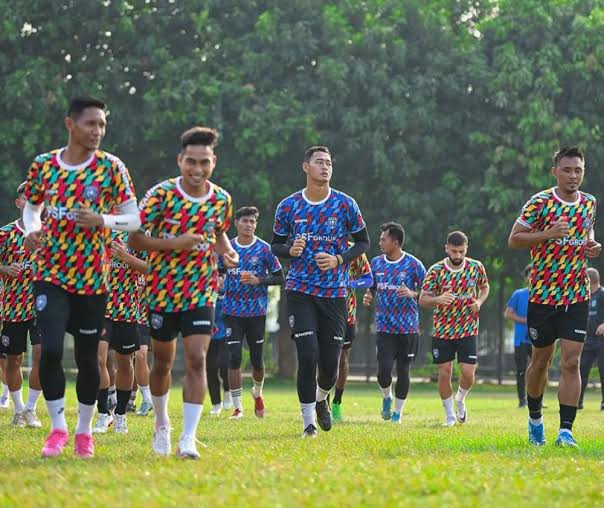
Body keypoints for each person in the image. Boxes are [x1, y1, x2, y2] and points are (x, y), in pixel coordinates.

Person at [23, 96, 140, 458]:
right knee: (52, 350)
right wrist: (32, 227)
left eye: (102, 125)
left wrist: (102, 220)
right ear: (70, 124)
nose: (98, 131)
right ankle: (58, 428)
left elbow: (133, 218)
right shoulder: (44, 165)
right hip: (51, 274)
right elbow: (32, 205)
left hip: (93, 278)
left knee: (90, 359)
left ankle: (84, 431)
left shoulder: (111, 167)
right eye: (91, 124)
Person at [128, 126, 237, 459]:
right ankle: (162, 425)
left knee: (197, 359)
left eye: (204, 162)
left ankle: (188, 438)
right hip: (162, 290)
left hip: (201, 290)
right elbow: (134, 238)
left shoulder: (221, 200)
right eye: (191, 162)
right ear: (180, 160)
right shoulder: (160, 195)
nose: (197, 169)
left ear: (213, 162)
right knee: (162, 363)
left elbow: (217, 234)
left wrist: (227, 252)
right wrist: (173, 244)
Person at [271, 145, 369, 438]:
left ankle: (322, 397)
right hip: (300, 291)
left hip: (336, 294)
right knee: (309, 354)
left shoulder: (345, 204)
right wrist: (290, 250)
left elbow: (363, 243)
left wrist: (339, 259)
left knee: (330, 364)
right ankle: (307, 423)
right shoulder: (288, 206)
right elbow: (275, 245)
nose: (325, 167)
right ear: (305, 167)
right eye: (319, 162)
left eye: (329, 163)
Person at [508, 146, 601, 447]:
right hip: (543, 296)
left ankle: (566, 431)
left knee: (571, 362)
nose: (573, 175)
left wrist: (592, 247)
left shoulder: (589, 203)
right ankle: (535, 419)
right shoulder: (540, 203)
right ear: (555, 171)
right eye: (567, 170)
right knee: (540, 362)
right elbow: (514, 239)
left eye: (578, 170)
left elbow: (587, 235)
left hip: (576, 294)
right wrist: (546, 234)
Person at [419, 231, 489, 427]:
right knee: (445, 372)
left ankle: (460, 399)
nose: (457, 256)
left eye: (461, 251)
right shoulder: (436, 270)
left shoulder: (476, 267)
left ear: (466, 249)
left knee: (468, 373)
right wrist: (437, 299)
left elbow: (485, 287)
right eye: (454, 251)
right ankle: (449, 416)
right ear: (446, 248)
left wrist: (479, 301)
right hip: (443, 329)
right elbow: (423, 299)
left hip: (468, 328)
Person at [222, 206, 284, 419]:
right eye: (245, 221)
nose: (249, 225)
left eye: (252, 222)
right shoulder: (227, 248)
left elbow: (280, 278)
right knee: (234, 358)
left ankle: (257, 392)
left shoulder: (265, 249)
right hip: (231, 311)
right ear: (236, 223)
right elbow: (217, 272)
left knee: (257, 361)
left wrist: (259, 280)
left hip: (256, 312)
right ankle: (238, 408)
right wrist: (219, 281)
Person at [363, 222, 425, 424]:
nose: (380, 242)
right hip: (384, 327)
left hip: (408, 328)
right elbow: (371, 286)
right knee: (383, 370)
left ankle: (398, 413)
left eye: (383, 239)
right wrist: (368, 295)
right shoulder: (376, 263)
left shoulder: (414, 265)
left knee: (403, 370)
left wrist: (412, 293)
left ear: (395, 242)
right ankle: (386, 397)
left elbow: (429, 293)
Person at [93, 231, 147, 434]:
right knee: (99, 359)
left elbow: (153, 269)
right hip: (100, 309)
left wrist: (126, 257)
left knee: (125, 363)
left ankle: (121, 414)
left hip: (127, 310)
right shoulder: (98, 231)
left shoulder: (140, 235)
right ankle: (102, 413)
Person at [0, 182, 43, 427]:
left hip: (42, 305)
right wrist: (4, 268)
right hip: (13, 306)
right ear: (18, 203)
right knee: (14, 360)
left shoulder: (49, 234)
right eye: (27, 199)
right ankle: (17, 409)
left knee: (41, 353)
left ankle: (31, 409)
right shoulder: (5, 233)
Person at [331, 245, 372, 423]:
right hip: (323, 311)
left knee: (342, 359)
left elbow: (368, 279)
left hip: (347, 314)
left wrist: (351, 283)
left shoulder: (354, 250)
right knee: (323, 358)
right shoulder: (321, 243)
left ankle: (337, 402)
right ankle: (320, 399)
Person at [504, 265, 532, 407]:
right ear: (526, 277)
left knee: (540, 369)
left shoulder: (546, 295)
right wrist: (525, 320)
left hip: (539, 340)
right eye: (531, 274)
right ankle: (522, 400)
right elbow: (508, 313)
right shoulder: (519, 294)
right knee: (521, 370)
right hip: (521, 339)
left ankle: (537, 399)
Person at [578, 267, 604, 410]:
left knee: (603, 371)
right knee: (581, 370)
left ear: (589, 279)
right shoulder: (584, 296)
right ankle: (578, 402)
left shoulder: (602, 294)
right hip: (587, 340)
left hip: (602, 340)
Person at [207, 276, 230, 415]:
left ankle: (228, 392)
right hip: (209, 334)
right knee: (211, 369)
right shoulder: (207, 286)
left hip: (227, 333)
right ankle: (216, 403)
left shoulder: (231, 284)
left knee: (225, 365)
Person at [135, 272, 154, 416]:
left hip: (146, 317)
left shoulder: (154, 257)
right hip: (125, 313)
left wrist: (147, 289)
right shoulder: (122, 254)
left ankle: (147, 399)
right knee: (124, 359)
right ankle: (126, 398)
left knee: (141, 355)